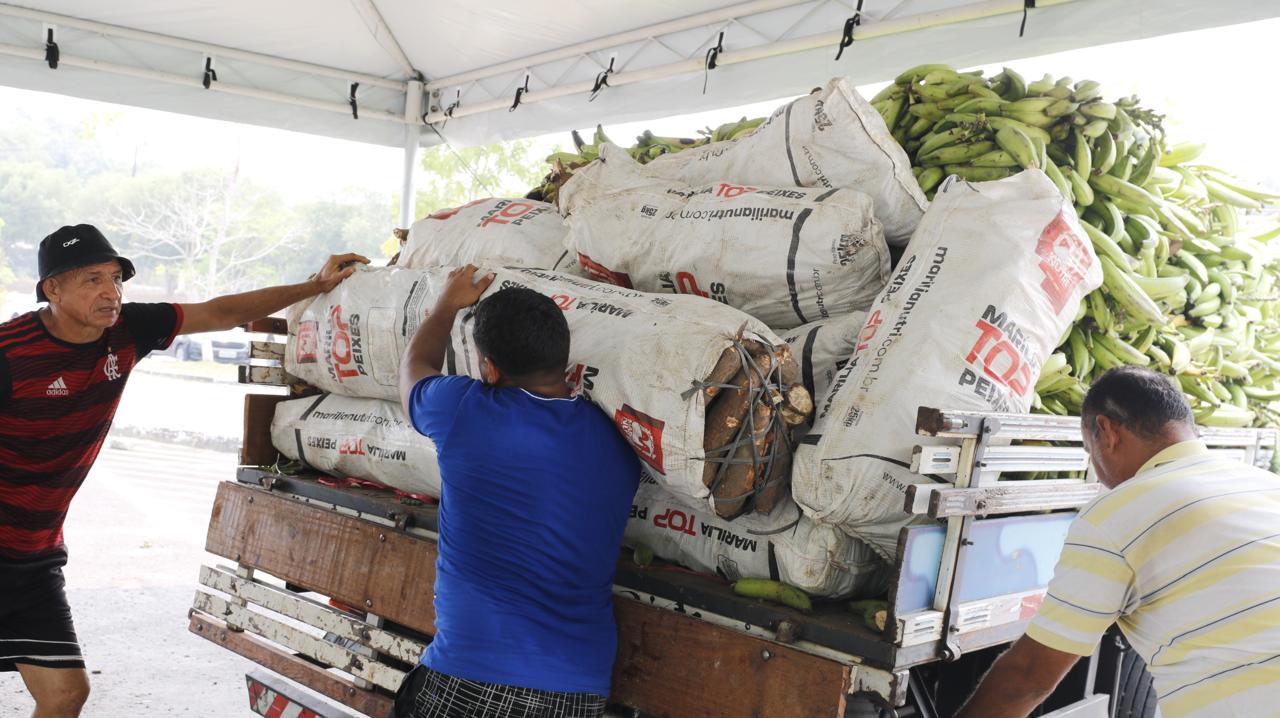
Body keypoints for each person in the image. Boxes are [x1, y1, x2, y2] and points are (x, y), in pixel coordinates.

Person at [0, 224, 368, 718]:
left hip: (34, 556)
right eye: (92, 280)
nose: (111, 292)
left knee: (65, 693)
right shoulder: (10, 352)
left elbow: (220, 310)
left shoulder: (129, 328)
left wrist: (314, 285)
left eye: (116, 278)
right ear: (52, 289)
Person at [957, 366, 1280, 718]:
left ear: (1106, 431)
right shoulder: (1267, 485)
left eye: (1088, 450)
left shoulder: (1118, 513)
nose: (1096, 468)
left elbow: (1029, 677)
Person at [394, 265, 640, 718]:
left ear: (488, 369)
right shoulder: (617, 442)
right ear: (563, 359)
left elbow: (412, 372)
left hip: (471, 680)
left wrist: (447, 305)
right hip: (579, 694)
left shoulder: (464, 410)